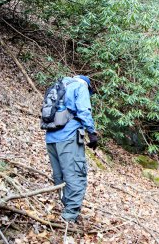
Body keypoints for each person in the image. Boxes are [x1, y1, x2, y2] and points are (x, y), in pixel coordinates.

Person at [45, 75, 98, 222]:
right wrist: (92, 133)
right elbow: (84, 111)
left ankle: (66, 209)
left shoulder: (58, 85)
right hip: (68, 139)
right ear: (87, 86)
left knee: (59, 176)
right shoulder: (81, 86)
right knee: (76, 176)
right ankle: (69, 217)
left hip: (50, 139)